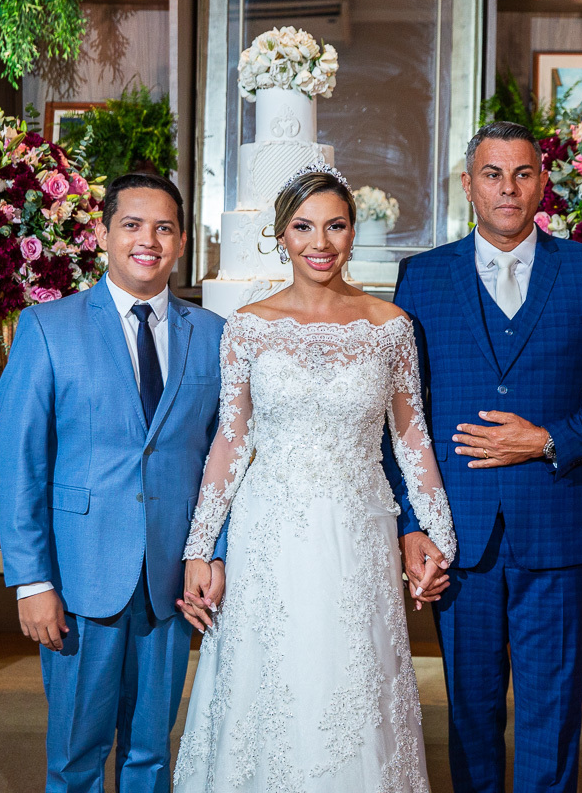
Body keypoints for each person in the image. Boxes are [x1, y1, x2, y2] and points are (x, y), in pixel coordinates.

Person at [171, 164, 456, 793]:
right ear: (281, 235)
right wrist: (200, 547)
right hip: (268, 532)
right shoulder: (248, 326)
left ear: (353, 232)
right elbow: (231, 441)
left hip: (358, 533)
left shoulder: (391, 327)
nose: (320, 243)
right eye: (303, 227)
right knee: (272, 679)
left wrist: (439, 537)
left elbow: (412, 437)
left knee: (352, 677)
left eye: (335, 226)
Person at [387, 121, 582, 793]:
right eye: (493, 174)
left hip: (555, 527)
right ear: (468, 184)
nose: (508, 188)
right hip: (459, 531)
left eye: (523, 173)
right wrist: (411, 523)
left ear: (543, 184)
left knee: (552, 714)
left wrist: (551, 438)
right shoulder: (421, 277)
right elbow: (397, 412)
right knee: (469, 714)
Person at [0, 173, 228, 793]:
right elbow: (20, 465)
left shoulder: (212, 335)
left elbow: (226, 461)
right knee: (76, 756)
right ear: (103, 234)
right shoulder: (48, 327)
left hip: (172, 582)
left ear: (182, 242)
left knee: (151, 753)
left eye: (164, 228)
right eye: (132, 225)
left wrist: (215, 553)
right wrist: (32, 581)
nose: (147, 240)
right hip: (80, 578)